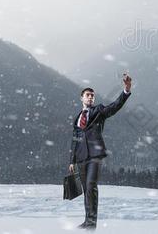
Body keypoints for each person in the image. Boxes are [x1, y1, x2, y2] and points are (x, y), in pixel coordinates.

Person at [68, 73, 133, 230]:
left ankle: (91, 223)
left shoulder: (99, 111)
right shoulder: (77, 117)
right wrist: (72, 160)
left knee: (91, 186)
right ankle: (86, 220)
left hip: (95, 155)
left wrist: (126, 90)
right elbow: (75, 140)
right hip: (81, 157)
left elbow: (115, 106)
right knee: (86, 190)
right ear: (81, 98)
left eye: (92, 96)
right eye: (88, 95)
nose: (90, 98)